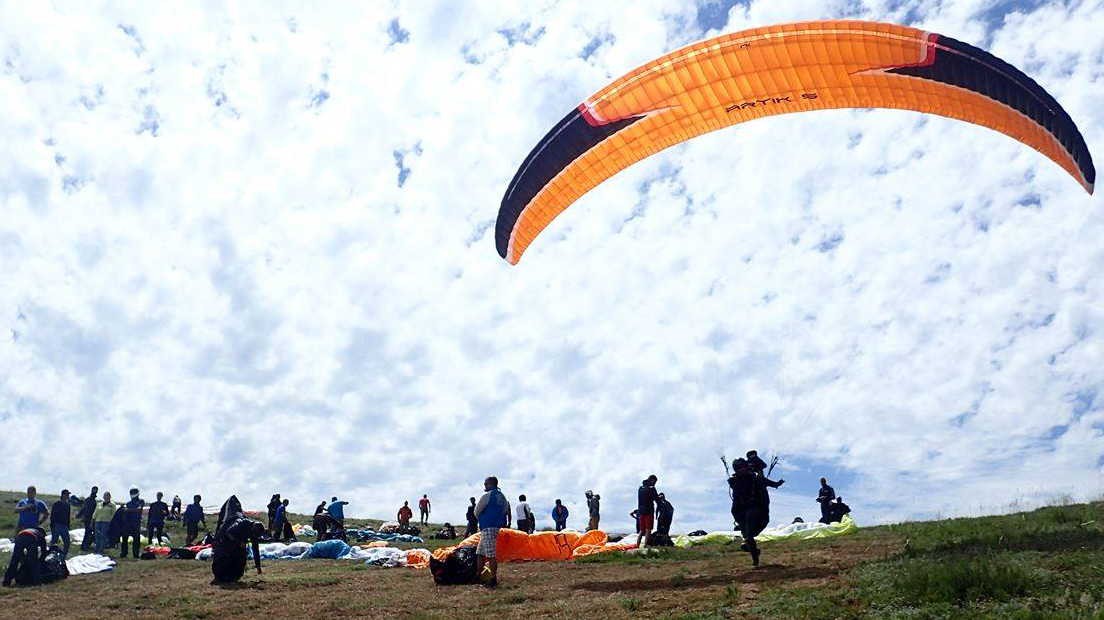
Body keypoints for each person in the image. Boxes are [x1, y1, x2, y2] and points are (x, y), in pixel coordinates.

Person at [210, 496, 264, 584]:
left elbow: (255, 548)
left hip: (237, 541)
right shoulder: (241, 523)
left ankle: (234, 577)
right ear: (252, 528)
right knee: (224, 556)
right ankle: (219, 577)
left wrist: (258, 566)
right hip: (226, 538)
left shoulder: (254, 532)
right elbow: (228, 533)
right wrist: (239, 542)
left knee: (241, 558)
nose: (253, 536)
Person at [474, 476, 510, 588]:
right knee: (480, 552)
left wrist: (482, 518)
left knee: (490, 554)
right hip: (495, 526)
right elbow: (505, 510)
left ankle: (493, 579)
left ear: (491, 484)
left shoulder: (487, 495)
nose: (484, 486)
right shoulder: (502, 497)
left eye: (486, 484)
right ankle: (477, 575)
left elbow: (477, 510)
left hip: (487, 527)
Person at [120, 488, 144, 559]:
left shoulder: (141, 501)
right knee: (125, 539)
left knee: (136, 540)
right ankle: (124, 553)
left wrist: (128, 510)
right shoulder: (128, 503)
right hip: (127, 523)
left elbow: (139, 509)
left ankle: (135, 554)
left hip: (136, 523)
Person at [636, 475, 659, 548]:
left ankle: (637, 545)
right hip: (649, 512)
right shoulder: (652, 489)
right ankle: (645, 546)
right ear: (652, 480)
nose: (655, 483)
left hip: (641, 511)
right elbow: (657, 499)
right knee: (648, 530)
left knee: (641, 530)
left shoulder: (640, 488)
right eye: (655, 482)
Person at [49, 490, 71, 558]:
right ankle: (51, 555)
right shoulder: (57, 504)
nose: (68, 496)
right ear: (63, 495)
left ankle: (63, 555)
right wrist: (52, 525)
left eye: (68, 494)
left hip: (64, 526)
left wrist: (68, 525)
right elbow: (52, 514)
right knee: (54, 542)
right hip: (57, 525)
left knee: (67, 542)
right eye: (66, 494)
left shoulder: (68, 505)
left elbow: (68, 516)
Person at [76, 486, 98, 551]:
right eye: (94, 490)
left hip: (90, 518)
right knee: (88, 532)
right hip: (88, 519)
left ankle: (86, 545)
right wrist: (80, 515)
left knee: (89, 532)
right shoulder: (90, 500)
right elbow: (84, 508)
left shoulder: (92, 500)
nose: (95, 491)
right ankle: (84, 546)